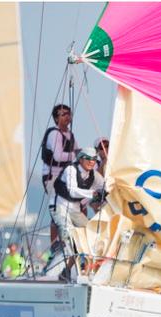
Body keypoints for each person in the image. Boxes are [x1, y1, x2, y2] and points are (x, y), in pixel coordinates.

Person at [51, 147, 106, 248]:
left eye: (94, 159)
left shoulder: (94, 175)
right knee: (68, 236)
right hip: (60, 207)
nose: (91, 161)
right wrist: (92, 193)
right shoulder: (71, 169)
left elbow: (106, 186)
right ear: (80, 159)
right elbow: (72, 191)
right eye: (88, 158)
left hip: (75, 210)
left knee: (91, 233)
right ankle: (59, 252)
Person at [41, 104, 79, 244]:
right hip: (52, 177)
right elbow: (58, 156)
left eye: (68, 113)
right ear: (56, 118)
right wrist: (74, 155)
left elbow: (77, 154)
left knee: (76, 203)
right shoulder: (54, 134)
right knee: (57, 208)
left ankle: (72, 238)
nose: (67, 116)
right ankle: (55, 244)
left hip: (65, 177)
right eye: (63, 114)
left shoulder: (70, 135)